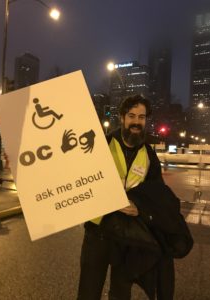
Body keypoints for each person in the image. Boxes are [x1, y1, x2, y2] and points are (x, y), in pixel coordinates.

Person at [77, 95, 193, 300]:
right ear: (122, 118)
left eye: (141, 117)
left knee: (120, 293)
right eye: (131, 116)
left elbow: (158, 196)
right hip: (98, 231)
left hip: (127, 235)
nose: (136, 122)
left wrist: (139, 206)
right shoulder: (101, 145)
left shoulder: (149, 155)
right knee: (88, 291)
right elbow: (79, 178)